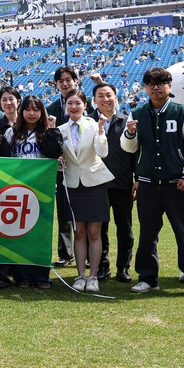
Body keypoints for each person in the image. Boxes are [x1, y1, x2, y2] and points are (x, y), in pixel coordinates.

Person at [120, 67, 184, 299]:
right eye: (151, 83)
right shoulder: (136, 113)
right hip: (148, 184)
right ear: (145, 87)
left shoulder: (183, 113)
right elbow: (128, 148)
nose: (156, 87)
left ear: (170, 86)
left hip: (176, 184)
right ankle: (148, 278)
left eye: (161, 82)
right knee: (148, 233)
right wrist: (129, 134)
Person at [0, 96, 63, 289]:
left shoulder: (49, 132)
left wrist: (52, 130)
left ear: (42, 112)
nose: (32, 113)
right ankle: (22, 276)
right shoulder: (11, 133)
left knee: (40, 234)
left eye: (36, 110)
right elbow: (5, 160)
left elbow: (55, 153)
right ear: (22, 112)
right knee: (19, 233)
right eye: (28, 109)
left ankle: (42, 275)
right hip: (17, 190)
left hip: (42, 190)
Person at [57, 89, 114, 293]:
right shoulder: (61, 129)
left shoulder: (94, 124)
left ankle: (93, 276)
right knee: (79, 232)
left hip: (95, 183)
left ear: (85, 105)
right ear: (66, 105)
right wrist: (58, 162)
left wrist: (101, 130)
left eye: (77, 103)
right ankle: (80, 276)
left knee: (94, 233)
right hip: (72, 184)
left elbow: (103, 152)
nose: (74, 107)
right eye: (70, 103)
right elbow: (58, 157)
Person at [90, 80, 136, 282]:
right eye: (101, 96)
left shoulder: (127, 122)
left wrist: (138, 179)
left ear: (116, 98)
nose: (105, 99)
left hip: (122, 183)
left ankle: (123, 268)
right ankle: (102, 266)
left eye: (109, 95)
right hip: (96, 184)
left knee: (124, 228)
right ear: (94, 100)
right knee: (99, 229)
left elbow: (136, 153)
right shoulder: (87, 123)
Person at [46, 66, 88, 268]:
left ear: (75, 81)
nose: (65, 83)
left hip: (84, 167)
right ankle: (65, 253)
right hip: (61, 168)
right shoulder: (52, 109)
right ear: (56, 84)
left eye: (68, 79)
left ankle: (88, 254)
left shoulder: (84, 104)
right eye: (61, 80)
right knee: (63, 213)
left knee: (85, 213)